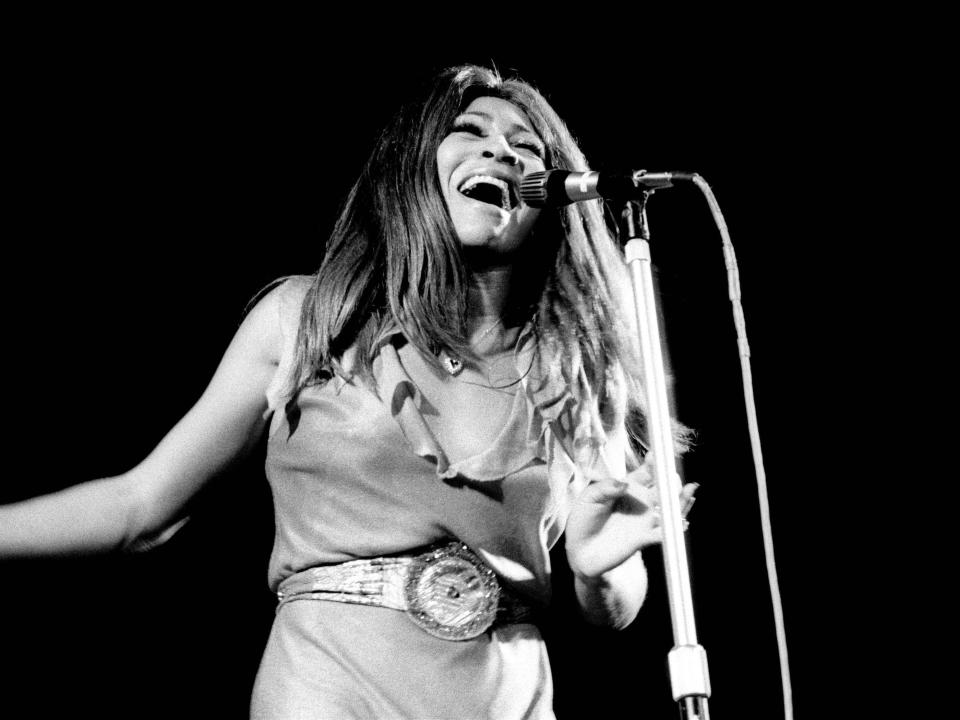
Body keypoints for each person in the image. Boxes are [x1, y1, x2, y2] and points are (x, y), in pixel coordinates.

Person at [0, 64, 696, 719]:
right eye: (471, 133)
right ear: (415, 169)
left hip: (504, 699)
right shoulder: (309, 319)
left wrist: (603, 566)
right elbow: (140, 507)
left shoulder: (574, 369)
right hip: (328, 685)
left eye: (526, 146)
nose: (505, 155)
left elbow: (614, 601)